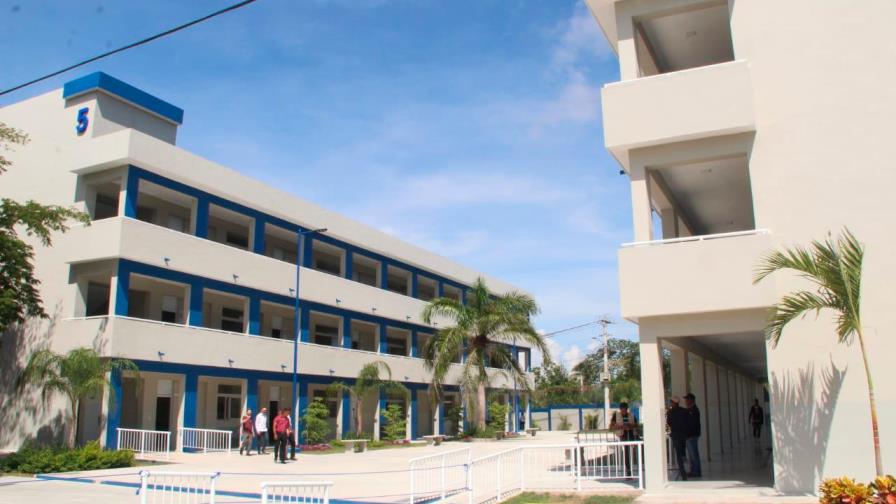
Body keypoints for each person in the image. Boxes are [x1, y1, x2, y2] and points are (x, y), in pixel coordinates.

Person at [609, 402, 638, 476]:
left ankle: (636, 468)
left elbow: (636, 425)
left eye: (624, 409)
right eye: (622, 409)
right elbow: (611, 426)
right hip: (623, 436)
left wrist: (630, 426)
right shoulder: (616, 415)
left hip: (632, 436)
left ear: (627, 409)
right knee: (627, 454)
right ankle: (628, 471)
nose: (623, 411)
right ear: (620, 409)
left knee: (635, 453)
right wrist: (619, 426)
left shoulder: (631, 415)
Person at [666, 396, 689, 481]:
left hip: (676, 435)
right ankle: (685, 470)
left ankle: (683, 472)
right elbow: (687, 422)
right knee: (683, 453)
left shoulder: (670, 412)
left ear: (673, 403)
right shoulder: (684, 411)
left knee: (679, 454)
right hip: (683, 435)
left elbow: (669, 422)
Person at [684, 392, 702, 478]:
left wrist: (688, 433)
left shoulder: (693, 410)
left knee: (694, 455)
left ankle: (696, 472)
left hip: (692, 435)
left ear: (691, 400)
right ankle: (693, 471)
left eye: (687, 399)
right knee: (691, 455)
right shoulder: (690, 410)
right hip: (690, 435)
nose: (686, 401)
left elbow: (692, 424)